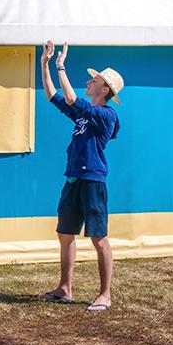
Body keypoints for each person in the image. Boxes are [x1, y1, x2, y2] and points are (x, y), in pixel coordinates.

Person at [40, 41, 123, 312]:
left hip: (93, 182)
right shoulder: (85, 115)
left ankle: (105, 295)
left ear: (105, 89)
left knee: (99, 239)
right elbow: (53, 96)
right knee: (65, 234)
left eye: (94, 79)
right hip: (73, 179)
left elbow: (74, 99)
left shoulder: (107, 115)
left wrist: (61, 65)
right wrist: (45, 64)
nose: (89, 81)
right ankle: (65, 289)